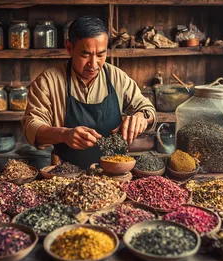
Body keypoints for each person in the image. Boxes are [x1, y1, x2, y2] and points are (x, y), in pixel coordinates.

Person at [22, 16, 156, 168]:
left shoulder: (116, 77)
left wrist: (141, 117)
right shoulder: (48, 81)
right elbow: (31, 127)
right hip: (67, 174)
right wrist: (64, 134)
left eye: (100, 54)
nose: (93, 64)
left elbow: (147, 109)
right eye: (85, 54)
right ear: (69, 47)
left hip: (115, 173)